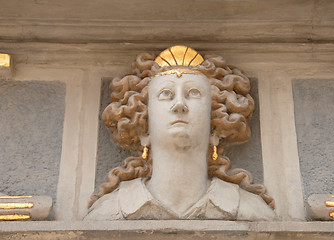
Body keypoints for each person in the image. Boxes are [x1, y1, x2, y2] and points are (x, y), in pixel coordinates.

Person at [85, 46, 275, 221]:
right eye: (166, 94)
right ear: (143, 129)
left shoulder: (250, 210)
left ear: (215, 128)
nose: (179, 105)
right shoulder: (111, 210)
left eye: (193, 93)